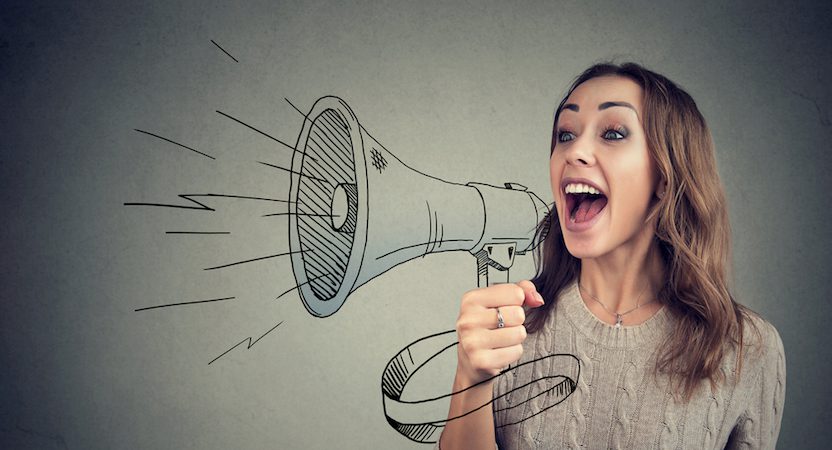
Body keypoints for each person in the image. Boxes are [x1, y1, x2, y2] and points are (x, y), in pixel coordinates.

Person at [438, 62, 786, 449]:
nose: (575, 152)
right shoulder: (509, 331)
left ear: (664, 179)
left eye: (613, 133)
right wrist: (470, 378)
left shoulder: (748, 349)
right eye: (566, 135)